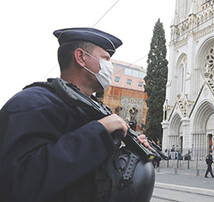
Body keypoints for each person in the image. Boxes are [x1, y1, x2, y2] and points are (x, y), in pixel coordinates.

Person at [0, 27, 155, 202]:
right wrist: (99, 131)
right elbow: (17, 181)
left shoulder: (97, 110)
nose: (109, 67)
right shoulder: (32, 103)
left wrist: (131, 149)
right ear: (81, 57)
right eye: (105, 59)